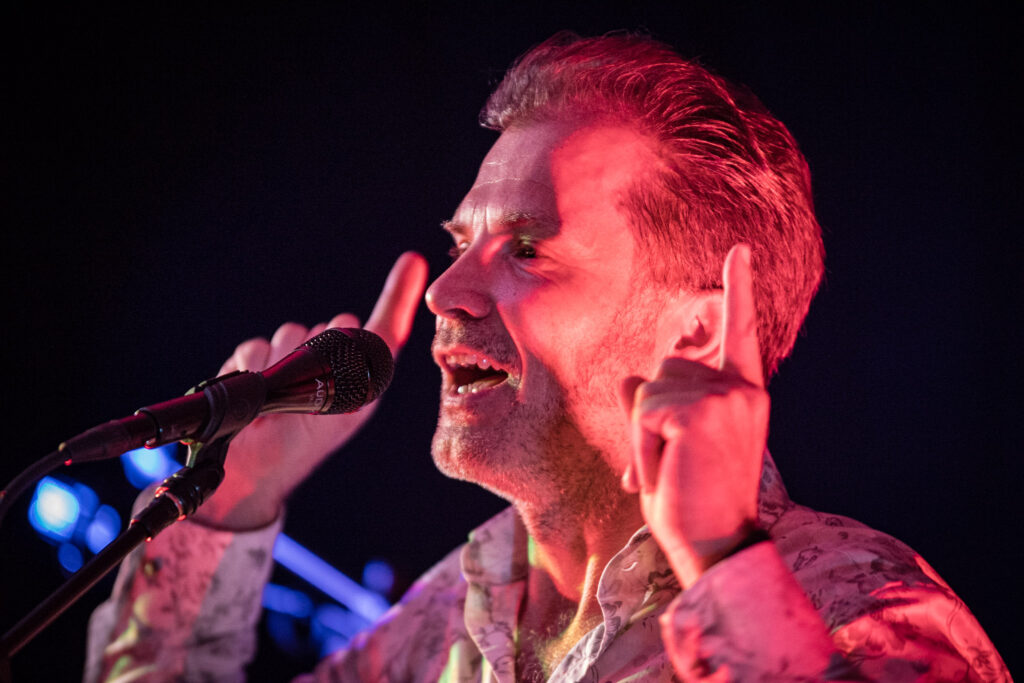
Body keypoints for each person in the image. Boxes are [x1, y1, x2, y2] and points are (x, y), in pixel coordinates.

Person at [84, 32, 1009, 681]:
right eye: (461, 243)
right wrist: (228, 509)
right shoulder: (447, 623)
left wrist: (725, 563)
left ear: (697, 330)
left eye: (527, 248)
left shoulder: (859, 607)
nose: (448, 291)